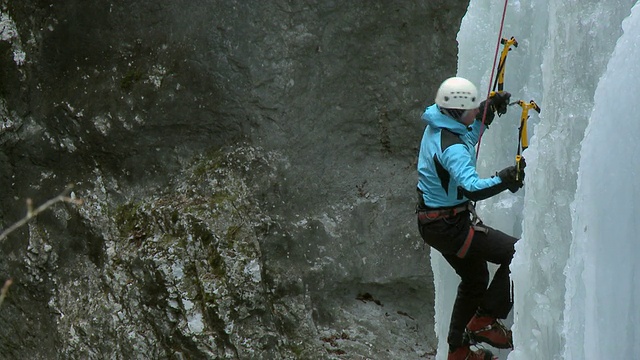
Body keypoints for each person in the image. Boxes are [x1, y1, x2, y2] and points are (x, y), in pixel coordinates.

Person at [415, 77, 525, 360]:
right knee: (517, 253)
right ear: (456, 113)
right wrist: (504, 179)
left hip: (436, 223)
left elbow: (467, 135)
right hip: (449, 225)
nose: (475, 110)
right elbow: (470, 187)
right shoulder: (450, 146)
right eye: (472, 108)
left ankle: (458, 350)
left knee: (475, 279)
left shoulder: (440, 127)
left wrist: (485, 113)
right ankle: (485, 320)